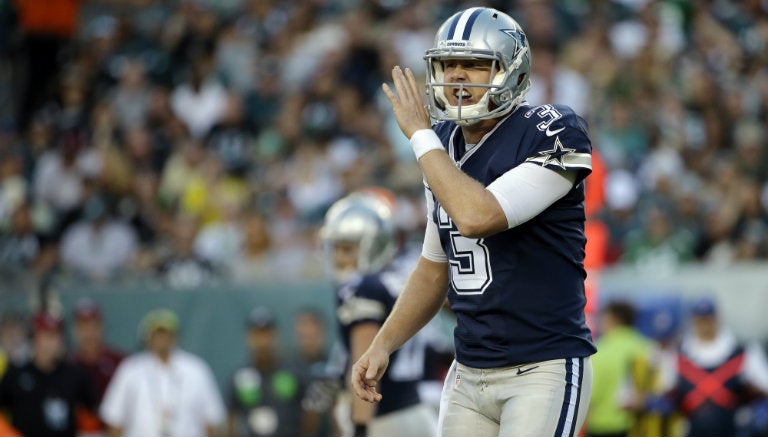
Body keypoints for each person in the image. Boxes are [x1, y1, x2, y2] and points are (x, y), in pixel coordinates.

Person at [350, 7, 596, 437]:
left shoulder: (552, 130)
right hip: (469, 371)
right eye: (449, 64)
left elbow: (478, 216)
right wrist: (383, 343)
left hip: (543, 366)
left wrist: (421, 138)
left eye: (476, 65)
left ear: (510, 71)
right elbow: (433, 266)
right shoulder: (443, 142)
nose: (458, 76)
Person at [320, 191, 438, 437]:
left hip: (383, 419)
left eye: (348, 249)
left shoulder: (363, 288)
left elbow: (366, 363)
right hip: (416, 413)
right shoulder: (401, 278)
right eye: (338, 249)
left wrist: (361, 427)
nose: (340, 258)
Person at [651, 297, 768, 437]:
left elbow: (764, 386)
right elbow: (665, 391)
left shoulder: (742, 351)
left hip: (733, 429)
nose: (705, 325)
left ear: (716, 318)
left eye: (708, 319)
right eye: (700, 320)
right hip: (694, 429)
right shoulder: (678, 356)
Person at [99, 308, 225, 437]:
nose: (162, 339)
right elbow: (114, 418)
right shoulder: (131, 369)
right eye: (157, 334)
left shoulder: (196, 369)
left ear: (175, 336)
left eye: (166, 334)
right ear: (147, 337)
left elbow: (212, 420)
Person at [0, 311, 98, 437]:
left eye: (55, 336)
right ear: (34, 338)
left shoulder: (75, 374)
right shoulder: (17, 373)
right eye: (45, 336)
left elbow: (92, 414)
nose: (50, 343)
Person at [226, 306, 314, 437]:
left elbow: (310, 413)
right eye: (257, 334)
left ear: (275, 336)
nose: (262, 342)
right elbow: (231, 418)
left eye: (266, 334)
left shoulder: (294, 371)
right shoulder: (240, 376)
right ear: (248, 337)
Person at [585, 300, 654, 437]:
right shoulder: (648, 347)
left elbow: (590, 395)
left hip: (603, 425)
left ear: (612, 319)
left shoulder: (600, 350)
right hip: (641, 426)